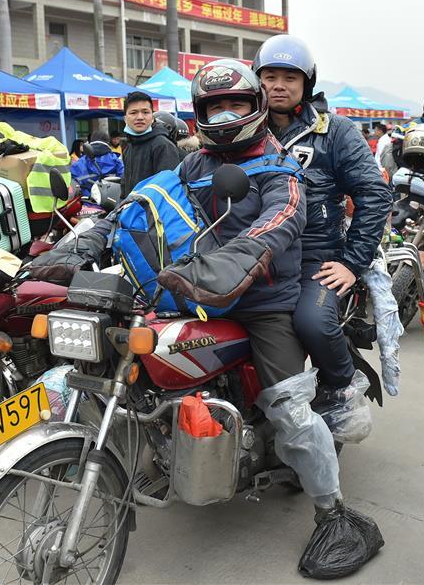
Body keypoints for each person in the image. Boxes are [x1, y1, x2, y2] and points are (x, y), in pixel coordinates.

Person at [63, 58, 381, 578]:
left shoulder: (282, 170)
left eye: (236, 102)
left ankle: (333, 511)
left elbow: (277, 223)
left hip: (261, 306)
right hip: (189, 292)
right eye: (216, 105)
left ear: (255, 107)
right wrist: (81, 246)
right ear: (200, 112)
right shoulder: (192, 165)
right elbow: (138, 204)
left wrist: (222, 268)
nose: (227, 113)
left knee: (291, 411)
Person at [255, 34, 392, 411]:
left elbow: (375, 194)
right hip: (252, 258)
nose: (278, 86)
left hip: (313, 261)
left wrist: (352, 262)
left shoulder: (335, 132)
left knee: (313, 324)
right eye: (269, 77)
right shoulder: (243, 129)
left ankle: (341, 392)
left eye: (289, 78)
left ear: (306, 84)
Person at [119, 91, 179, 197]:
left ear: (152, 117)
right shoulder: (128, 146)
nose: (140, 117)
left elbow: (168, 190)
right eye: (133, 113)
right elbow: (124, 187)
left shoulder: (162, 145)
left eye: (145, 112)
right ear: (125, 119)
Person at [69, 130, 124, 197]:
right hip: (111, 202)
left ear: (91, 141)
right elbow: (123, 182)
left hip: (87, 204)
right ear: (108, 142)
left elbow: (74, 186)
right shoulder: (116, 160)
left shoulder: (79, 162)